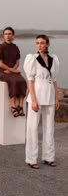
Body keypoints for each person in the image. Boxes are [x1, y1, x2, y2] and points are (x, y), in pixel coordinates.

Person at [23, 35, 59, 169]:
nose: (39, 45)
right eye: (37, 43)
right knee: (32, 128)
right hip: (36, 95)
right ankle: (31, 159)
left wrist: (56, 98)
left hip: (49, 95)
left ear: (47, 44)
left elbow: (54, 80)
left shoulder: (53, 59)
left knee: (50, 128)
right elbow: (30, 81)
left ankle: (49, 157)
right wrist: (33, 100)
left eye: (42, 43)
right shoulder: (32, 59)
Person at [0, 27, 27, 117]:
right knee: (13, 81)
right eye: (5, 34)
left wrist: (13, 69)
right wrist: (12, 70)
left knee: (22, 81)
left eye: (9, 34)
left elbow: (17, 62)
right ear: (3, 36)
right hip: (3, 72)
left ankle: (20, 106)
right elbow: (0, 64)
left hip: (12, 71)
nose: (7, 36)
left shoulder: (15, 47)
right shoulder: (0, 47)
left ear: (13, 36)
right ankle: (13, 106)